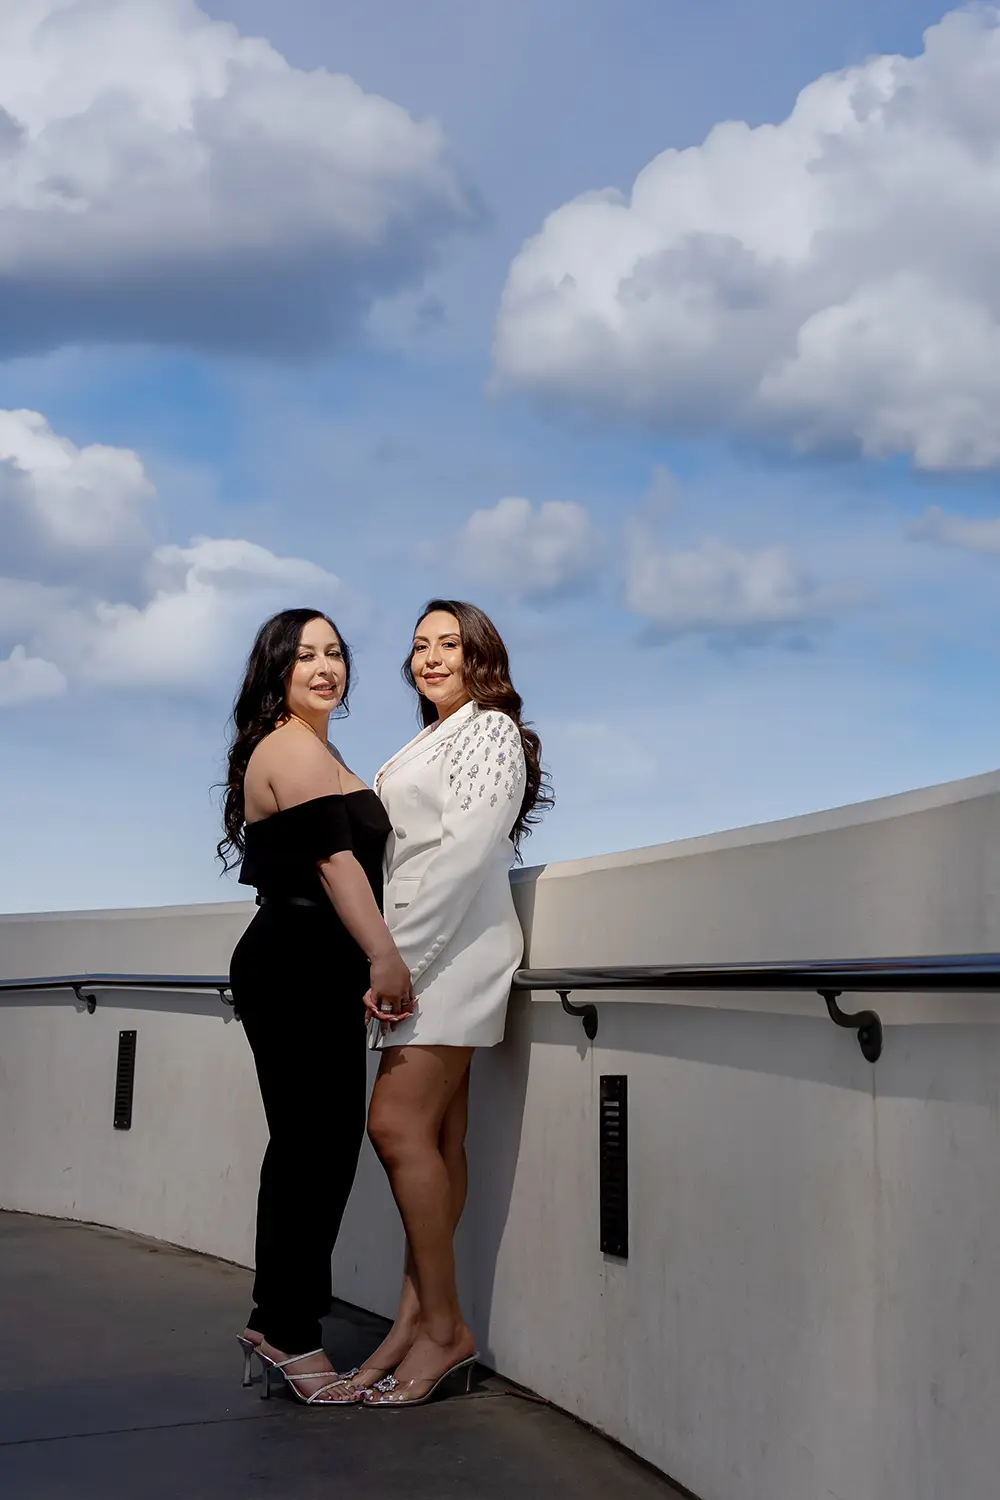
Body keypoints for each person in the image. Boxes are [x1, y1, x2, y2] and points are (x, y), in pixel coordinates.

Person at [352, 599, 552, 1408]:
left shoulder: (490, 730)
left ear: (482, 656)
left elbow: (469, 852)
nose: (431, 658)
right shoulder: (434, 736)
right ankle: (414, 1319)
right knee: (438, 1135)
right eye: (420, 646)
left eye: (450, 644)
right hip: (425, 950)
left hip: (452, 953)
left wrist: (399, 960)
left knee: (394, 1126)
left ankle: (445, 1326)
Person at [220, 608, 413, 1406]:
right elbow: (335, 863)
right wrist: (384, 954)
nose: (326, 667)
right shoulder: (291, 747)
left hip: (313, 960)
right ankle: (289, 1333)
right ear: (276, 670)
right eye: (306, 656)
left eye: (335, 654)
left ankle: (281, 1321)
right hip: (297, 957)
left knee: (314, 1146)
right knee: (314, 1147)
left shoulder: (319, 746)